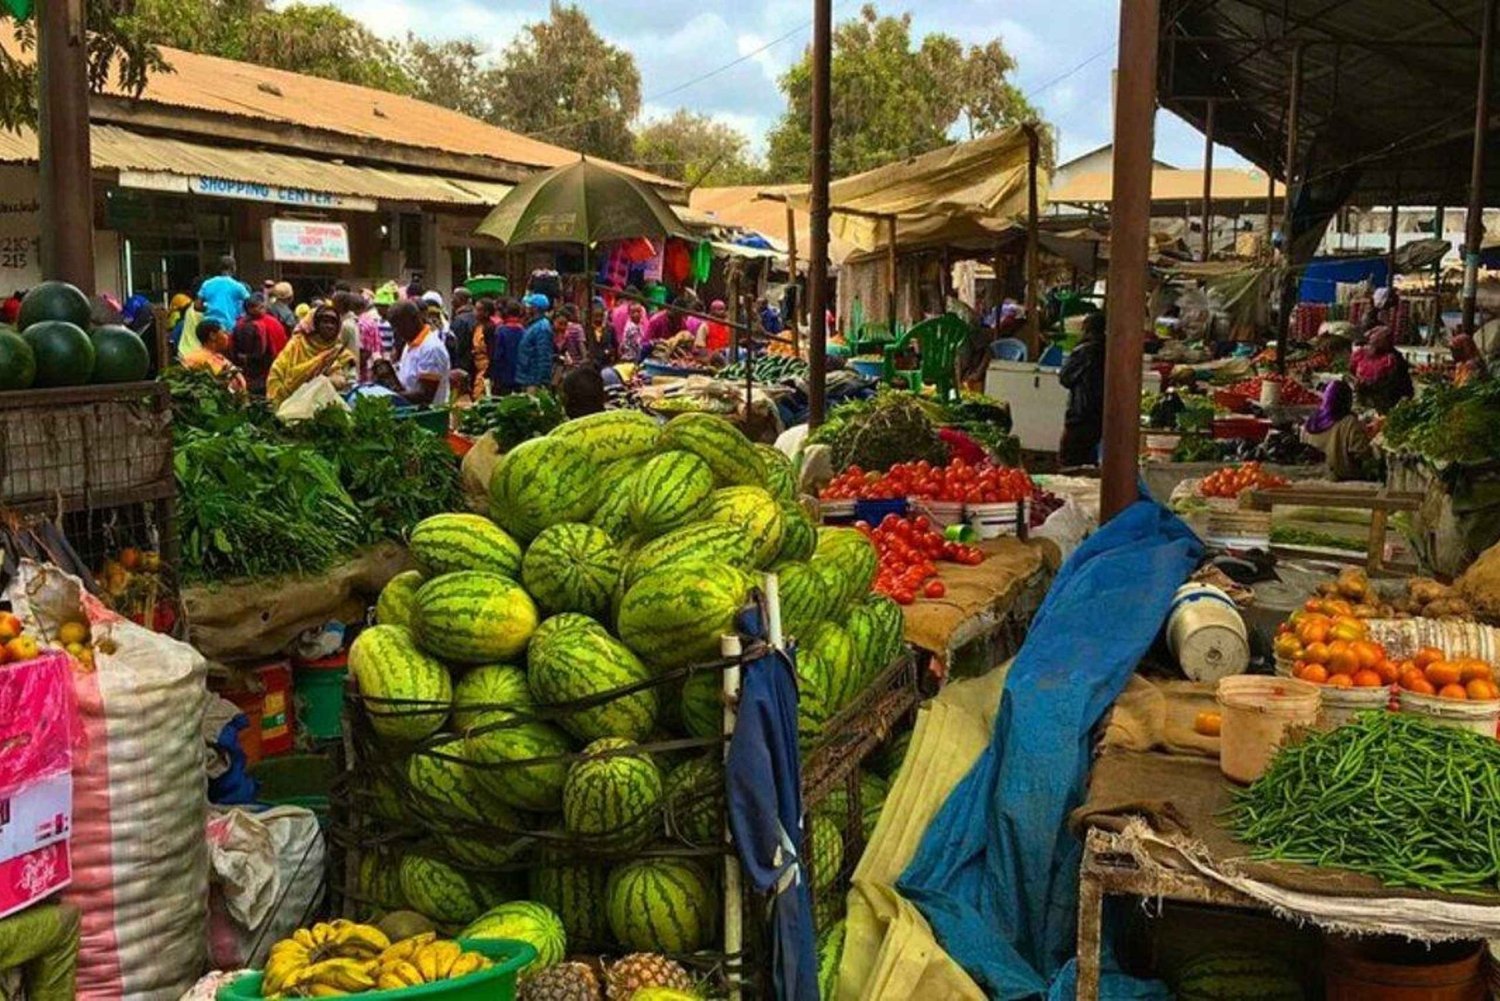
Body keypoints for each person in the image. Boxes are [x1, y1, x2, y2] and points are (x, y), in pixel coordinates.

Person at [266, 303, 358, 407]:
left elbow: (349, 382)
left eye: (333, 323)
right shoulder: (297, 344)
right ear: (316, 324)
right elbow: (277, 371)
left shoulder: (341, 353)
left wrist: (332, 382)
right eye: (325, 321)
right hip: (292, 404)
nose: (329, 326)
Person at [1058, 311, 1107, 467]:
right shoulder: (1111, 350)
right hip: (1103, 414)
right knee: (1091, 459)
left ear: (1086, 329)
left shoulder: (1084, 350)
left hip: (1081, 413)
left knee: (1070, 459)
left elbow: (1065, 377)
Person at [1301, 379, 1373, 481]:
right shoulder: (1349, 423)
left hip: (1313, 478)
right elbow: (1362, 454)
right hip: (1344, 480)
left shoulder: (1310, 422)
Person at [389, 299, 450, 406]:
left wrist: (389, 397)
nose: (397, 331)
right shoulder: (409, 345)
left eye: (400, 326)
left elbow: (425, 395)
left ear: (415, 319)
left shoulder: (431, 348)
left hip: (429, 413)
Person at [1351, 325, 1414, 413]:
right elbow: (1352, 371)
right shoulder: (1361, 355)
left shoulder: (1393, 359)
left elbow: (1398, 383)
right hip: (1369, 399)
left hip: (1384, 400)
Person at [232, 294, 286, 395]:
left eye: (262, 306)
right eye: (260, 307)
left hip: (259, 365)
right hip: (259, 366)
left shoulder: (241, 323)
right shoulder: (243, 324)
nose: (263, 309)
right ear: (249, 309)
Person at [180, 321, 247, 395]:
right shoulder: (195, 358)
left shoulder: (218, 356)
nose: (228, 335)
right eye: (224, 332)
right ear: (212, 336)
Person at [515, 293, 555, 392]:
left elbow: (544, 355)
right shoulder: (533, 325)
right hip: (527, 376)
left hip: (534, 379)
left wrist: (542, 381)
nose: (526, 309)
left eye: (529, 306)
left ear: (535, 308)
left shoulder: (542, 328)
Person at [198, 256, 250, 327]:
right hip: (227, 325)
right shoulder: (237, 286)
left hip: (208, 324)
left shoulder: (207, 284)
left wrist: (210, 308)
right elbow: (250, 303)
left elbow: (197, 306)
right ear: (233, 268)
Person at [489, 299, 527, 395]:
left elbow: (497, 355)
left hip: (503, 375)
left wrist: (494, 375)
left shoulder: (501, 331)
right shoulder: (524, 332)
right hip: (519, 374)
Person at [448, 288, 477, 377]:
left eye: (454, 298)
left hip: (462, 366)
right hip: (473, 365)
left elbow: (456, 346)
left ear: (461, 300)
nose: (451, 301)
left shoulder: (460, 320)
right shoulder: (475, 317)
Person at [554, 303, 587, 369]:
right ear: (572, 314)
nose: (579, 315)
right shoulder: (577, 328)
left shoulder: (557, 326)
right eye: (577, 312)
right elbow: (582, 349)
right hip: (576, 366)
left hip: (561, 365)